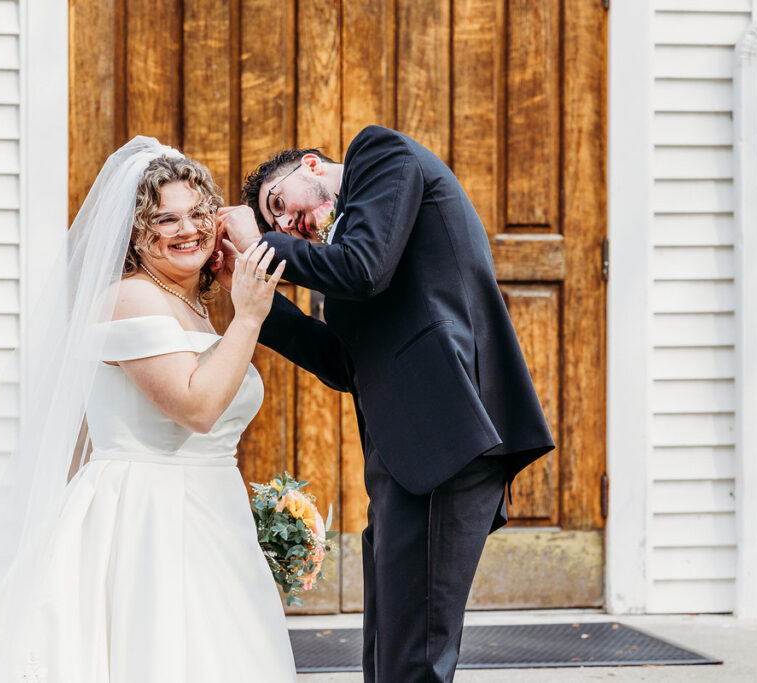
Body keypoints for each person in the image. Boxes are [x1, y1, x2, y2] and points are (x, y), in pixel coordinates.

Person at [0, 139, 296, 682]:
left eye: (199, 214)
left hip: (210, 509)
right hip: (147, 516)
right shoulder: (128, 297)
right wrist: (249, 316)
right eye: (166, 219)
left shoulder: (195, 306)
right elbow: (198, 408)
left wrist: (234, 304)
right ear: (137, 231)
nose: (189, 230)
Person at [217, 125, 555, 683]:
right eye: (274, 222)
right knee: (389, 654)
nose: (286, 224)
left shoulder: (379, 153)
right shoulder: (349, 257)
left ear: (311, 165)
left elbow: (365, 268)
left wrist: (259, 244)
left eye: (279, 203)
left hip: (449, 439)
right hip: (410, 455)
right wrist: (253, 300)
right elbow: (344, 365)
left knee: (414, 663)